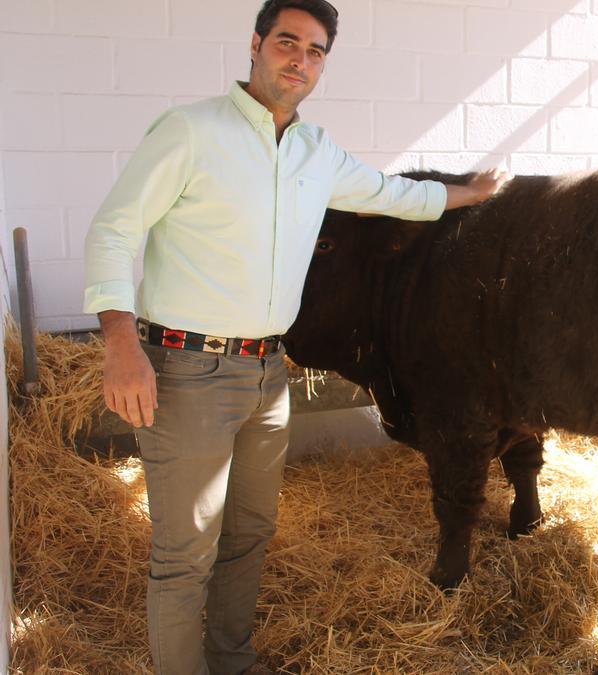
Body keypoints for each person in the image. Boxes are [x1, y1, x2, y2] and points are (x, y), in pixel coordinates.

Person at [82, 1, 509, 672]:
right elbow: (112, 229)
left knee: (249, 533)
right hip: (187, 368)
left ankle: (232, 658)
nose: (299, 60)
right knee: (186, 552)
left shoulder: (317, 151)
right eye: (288, 42)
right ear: (255, 44)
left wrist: (475, 194)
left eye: (314, 51)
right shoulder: (191, 131)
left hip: (266, 373)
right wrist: (119, 341)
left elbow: (393, 194)